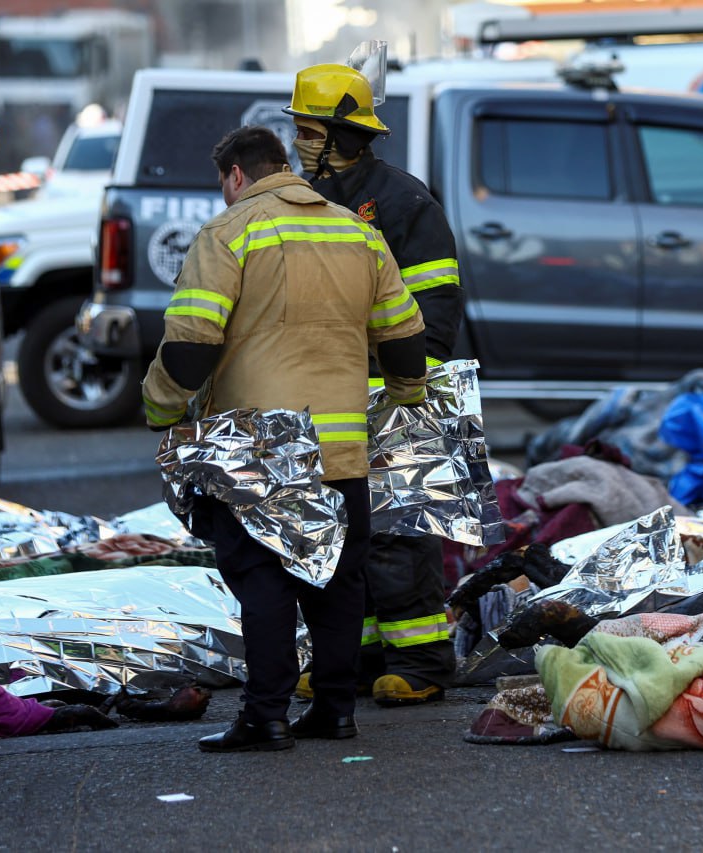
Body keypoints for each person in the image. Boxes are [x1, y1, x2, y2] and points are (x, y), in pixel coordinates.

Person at [141, 125, 427, 752]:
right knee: (338, 582)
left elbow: (190, 345)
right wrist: (407, 394)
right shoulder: (358, 233)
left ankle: (265, 716)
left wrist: (160, 406)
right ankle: (334, 711)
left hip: (260, 450)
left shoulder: (230, 232)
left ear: (236, 176)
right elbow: (405, 337)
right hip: (341, 448)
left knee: (263, 578)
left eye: (224, 186)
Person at [285, 62, 465, 706]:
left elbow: (434, 305)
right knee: (337, 528)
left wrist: (410, 383)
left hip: (395, 393)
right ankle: (354, 656)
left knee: (397, 529)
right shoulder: (304, 198)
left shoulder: (400, 202)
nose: (300, 143)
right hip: (328, 393)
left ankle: (421, 662)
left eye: (308, 131)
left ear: (342, 135)